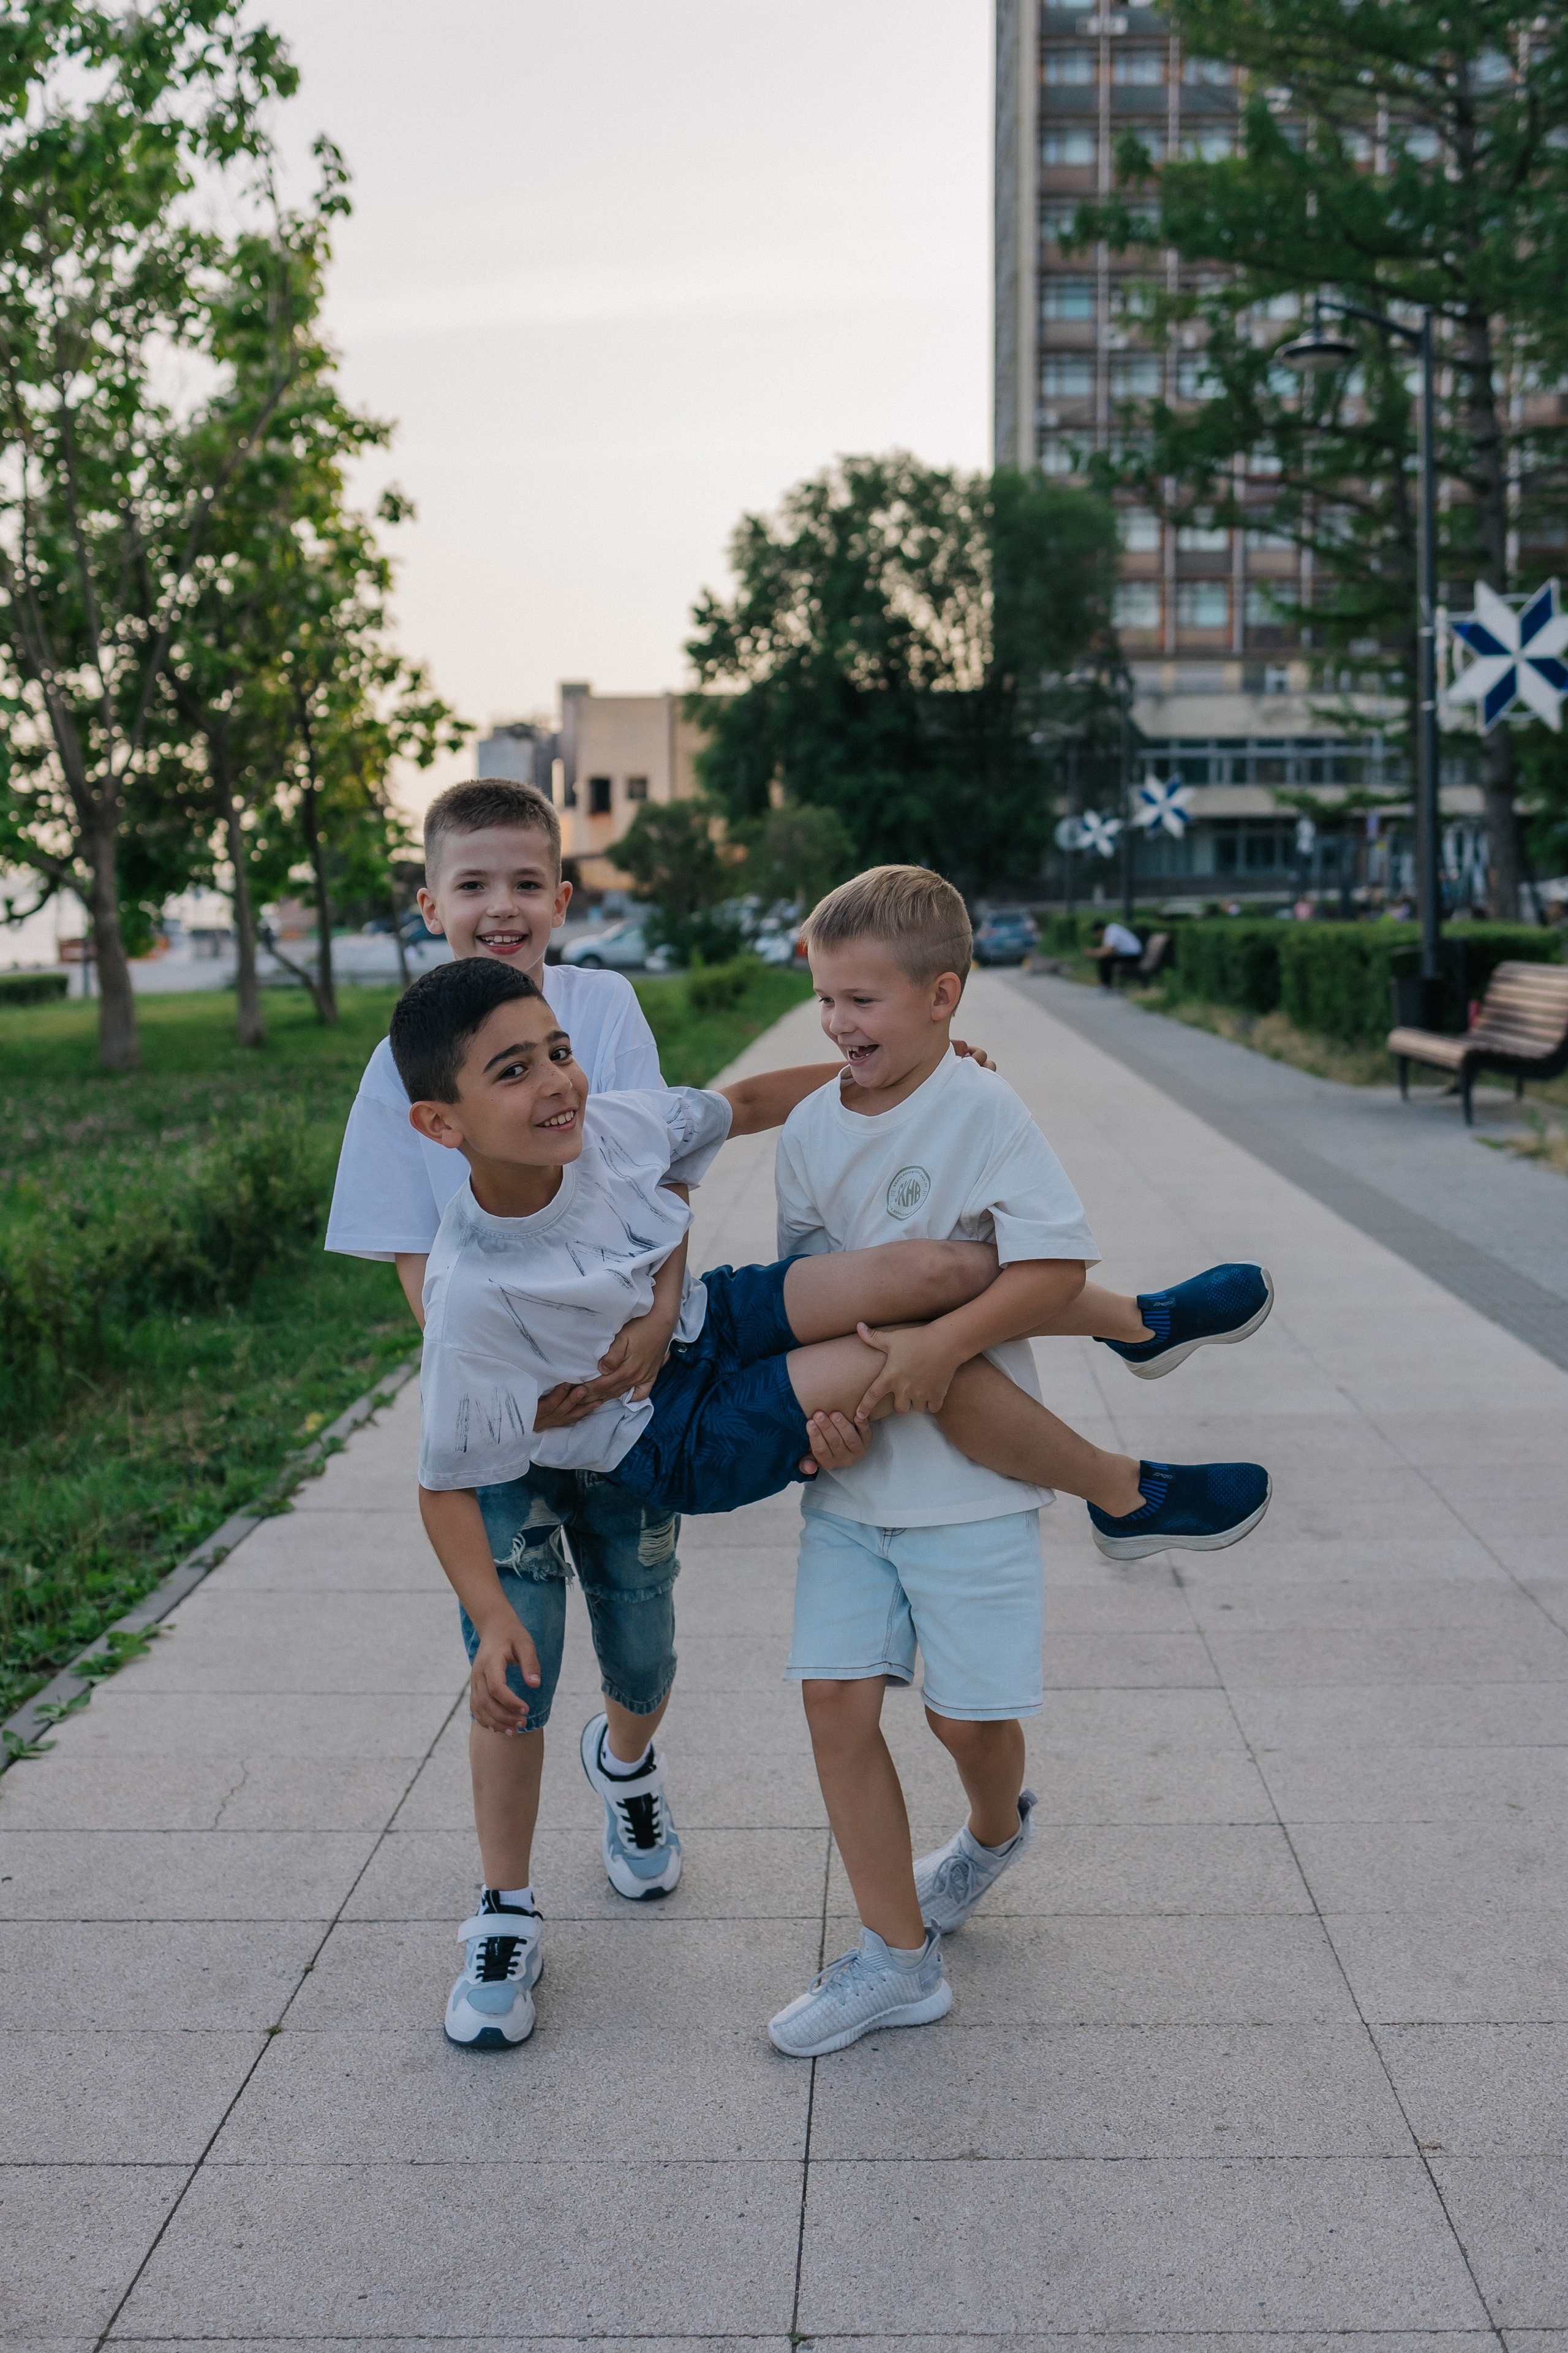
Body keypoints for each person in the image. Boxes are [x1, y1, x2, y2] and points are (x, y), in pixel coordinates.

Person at [396, 952, 1272, 2047]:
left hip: (706, 1324)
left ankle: (1141, 1322)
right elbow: (442, 1486)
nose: (558, 1084)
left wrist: (901, 1066)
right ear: (443, 1123)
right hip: (673, 1440)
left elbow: (752, 1101)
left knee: (947, 1272)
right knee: (904, 1357)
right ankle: (1120, 1492)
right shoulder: (475, 1290)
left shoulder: (609, 1125)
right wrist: (489, 1619)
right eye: (515, 1071)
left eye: (560, 1052)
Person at [763, 867, 1275, 2057]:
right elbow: (800, 1305)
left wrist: (938, 1348)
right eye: (824, 1002)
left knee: (965, 1724)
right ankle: (897, 1962)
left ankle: (991, 1833)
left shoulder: (983, 1112)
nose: (839, 1026)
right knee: (833, 1705)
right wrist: (822, 1426)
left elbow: (1041, 1273)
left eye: (862, 1001)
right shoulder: (805, 1132)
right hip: (851, 1491)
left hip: (970, 1501)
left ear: (943, 996)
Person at [1088, 916, 1143, 988]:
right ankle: (1105, 985)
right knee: (1106, 959)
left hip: (1133, 956)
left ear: (1100, 931)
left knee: (1106, 960)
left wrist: (1093, 953)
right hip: (1130, 954)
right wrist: (1095, 952)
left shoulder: (1111, 932)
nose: (1095, 936)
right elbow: (1106, 949)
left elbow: (1109, 950)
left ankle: (1106, 986)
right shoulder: (1111, 930)